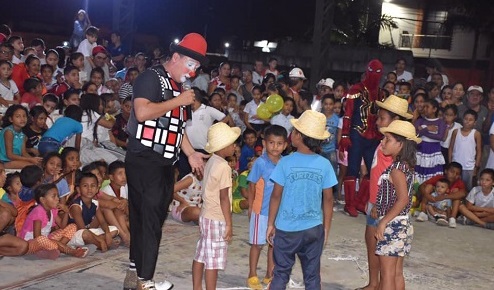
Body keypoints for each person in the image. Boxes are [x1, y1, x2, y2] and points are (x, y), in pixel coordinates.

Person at [124, 33, 209, 290]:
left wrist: (191, 152)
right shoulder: (152, 77)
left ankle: (134, 272)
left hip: (164, 162)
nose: (192, 72)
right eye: (190, 65)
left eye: (196, 68)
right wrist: (179, 101)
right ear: (175, 57)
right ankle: (145, 281)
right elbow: (142, 112)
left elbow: (176, 126)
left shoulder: (177, 86)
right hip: (144, 159)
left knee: (146, 218)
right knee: (150, 219)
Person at [267, 110, 337, 289]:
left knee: (281, 273)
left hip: (286, 229)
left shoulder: (285, 162)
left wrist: (270, 224)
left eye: (294, 131)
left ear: (298, 136)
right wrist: (326, 228)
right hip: (313, 229)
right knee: (312, 276)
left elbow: (276, 195)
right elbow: (328, 199)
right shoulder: (324, 164)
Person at [355, 94, 413, 290]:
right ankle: (374, 284)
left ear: (395, 121)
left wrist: (378, 207)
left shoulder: (393, 155)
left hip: (385, 211)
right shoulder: (388, 145)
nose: (378, 121)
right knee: (379, 254)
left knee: (385, 261)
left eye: (382, 118)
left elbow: (397, 192)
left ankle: (378, 285)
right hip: (382, 207)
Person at [192, 122, 240, 290]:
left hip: (206, 215)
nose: (234, 146)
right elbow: (224, 198)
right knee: (212, 261)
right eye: (232, 143)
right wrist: (229, 224)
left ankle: (197, 287)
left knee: (202, 253)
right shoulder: (224, 167)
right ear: (224, 146)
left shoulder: (212, 161)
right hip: (217, 218)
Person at [374, 120, 420, 290]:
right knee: (396, 273)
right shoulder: (406, 166)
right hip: (403, 223)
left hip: (393, 224)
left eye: (387, 139)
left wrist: (384, 221)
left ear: (400, 144)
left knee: (386, 275)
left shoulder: (396, 169)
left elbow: (402, 199)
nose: (382, 142)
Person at [339, 59, 386, 217]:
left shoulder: (381, 93)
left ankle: (360, 201)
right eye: (373, 72)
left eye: (378, 73)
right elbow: (348, 114)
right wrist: (345, 135)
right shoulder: (356, 89)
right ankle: (349, 204)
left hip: (374, 137)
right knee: (352, 169)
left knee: (373, 171)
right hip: (357, 134)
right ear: (367, 71)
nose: (375, 76)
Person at [246, 125, 287, 289]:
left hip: (277, 214)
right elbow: (252, 186)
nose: (275, 147)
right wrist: (250, 207)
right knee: (257, 244)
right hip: (261, 212)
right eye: (271, 143)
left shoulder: (285, 163)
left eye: (279, 143)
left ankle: (270, 274)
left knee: (273, 245)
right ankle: (252, 274)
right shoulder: (260, 163)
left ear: (285, 145)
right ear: (264, 143)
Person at [21, 183, 88, 259]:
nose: (57, 199)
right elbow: (37, 237)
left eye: (57, 196)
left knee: (73, 226)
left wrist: (66, 212)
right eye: (53, 196)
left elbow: (62, 226)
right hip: (31, 243)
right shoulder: (38, 211)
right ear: (43, 200)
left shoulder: (53, 210)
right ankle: (69, 251)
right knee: (41, 239)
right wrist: (53, 242)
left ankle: (56, 249)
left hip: (46, 240)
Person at [416, 162, 466, 227]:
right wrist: (427, 195)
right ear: (446, 171)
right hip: (434, 205)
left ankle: (452, 219)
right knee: (429, 186)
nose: (454, 175)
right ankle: (423, 213)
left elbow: (463, 193)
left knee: (457, 196)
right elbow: (421, 186)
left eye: (457, 174)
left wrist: (444, 197)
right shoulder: (439, 178)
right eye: (452, 172)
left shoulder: (459, 182)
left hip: (447, 210)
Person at [414, 99, 446, 184]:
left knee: (432, 173)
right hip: (421, 149)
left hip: (434, 150)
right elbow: (415, 134)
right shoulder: (420, 120)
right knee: (420, 171)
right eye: (424, 107)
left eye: (427, 107)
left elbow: (440, 137)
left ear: (434, 109)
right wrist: (427, 129)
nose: (424, 109)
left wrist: (423, 131)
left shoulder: (440, 122)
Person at [449, 110, 482, 191]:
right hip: (455, 165)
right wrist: (450, 163)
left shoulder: (476, 134)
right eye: (466, 119)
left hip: (469, 167)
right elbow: (451, 148)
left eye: (470, 120)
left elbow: (479, 151)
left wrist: (476, 167)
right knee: (454, 187)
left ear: (475, 122)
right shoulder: (456, 132)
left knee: (468, 188)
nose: (467, 121)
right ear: (462, 119)